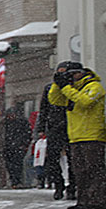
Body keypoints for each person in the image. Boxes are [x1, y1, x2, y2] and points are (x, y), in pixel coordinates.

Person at [48, 61, 106, 209]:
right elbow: (54, 100)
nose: (72, 77)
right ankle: (84, 200)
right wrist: (58, 84)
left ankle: (98, 201)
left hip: (92, 135)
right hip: (75, 136)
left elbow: (84, 101)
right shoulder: (72, 89)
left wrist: (66, 87)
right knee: (79, 171)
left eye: (73, 74)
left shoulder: (94, 86)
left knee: (93, 170)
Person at [35, 65, 72, 199]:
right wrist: (41, 127)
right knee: (52, 159)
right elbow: (44, 109)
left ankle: (72, 186)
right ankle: (58, 184)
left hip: (71, 126)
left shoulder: (73, 88)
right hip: (54, 127)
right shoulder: (50, 88)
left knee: (72, 159)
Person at [3, 106, 32, 188]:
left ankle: (17, 181)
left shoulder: (21, 122)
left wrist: (24, 144)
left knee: (17, 164)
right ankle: (14, 180)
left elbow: (27, 134)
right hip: (9, 146)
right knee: (10, 165)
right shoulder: (6, 123)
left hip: (18, 146)